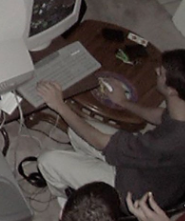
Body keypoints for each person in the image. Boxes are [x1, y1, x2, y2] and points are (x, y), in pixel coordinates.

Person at [36, 49, 185, 209]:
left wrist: (59, 105)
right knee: (77, 130)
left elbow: (100, 142)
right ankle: (86, 170)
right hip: (154, 171)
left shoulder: (164, 142)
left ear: (171, 90)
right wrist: (123, 102)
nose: (156, 70)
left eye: (161, 73)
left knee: (47, 161)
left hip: (134, 192)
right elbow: (161, 115)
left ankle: (69, 197)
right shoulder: (180, 108)